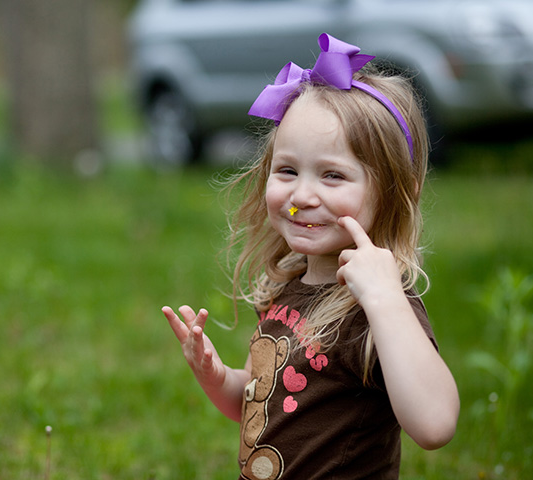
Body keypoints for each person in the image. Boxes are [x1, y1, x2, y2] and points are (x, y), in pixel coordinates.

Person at [162, 33, 459, 479]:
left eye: (333, 175)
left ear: (396, 192)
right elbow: (257, 400)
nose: (301, 196)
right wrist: (217, 376)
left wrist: (384, 302)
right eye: (287, 171)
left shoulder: (376, 306)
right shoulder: (288, 282)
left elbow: (434, 425)